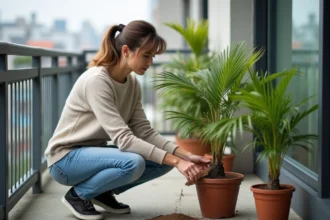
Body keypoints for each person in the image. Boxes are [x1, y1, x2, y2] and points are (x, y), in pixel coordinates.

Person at [44, 20, 210, 220]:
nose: (150, 63)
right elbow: (123, 139)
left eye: (153, 56)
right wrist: (177, 161)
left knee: (163, 161)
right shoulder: (96, 80)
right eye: (146, 55)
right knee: (133, 162)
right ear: (126, 51)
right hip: (65, 160)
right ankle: (78, 196)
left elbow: (144, 132)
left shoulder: (132, 83)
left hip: (92, 155)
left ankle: (101, 193)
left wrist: (185, 156)